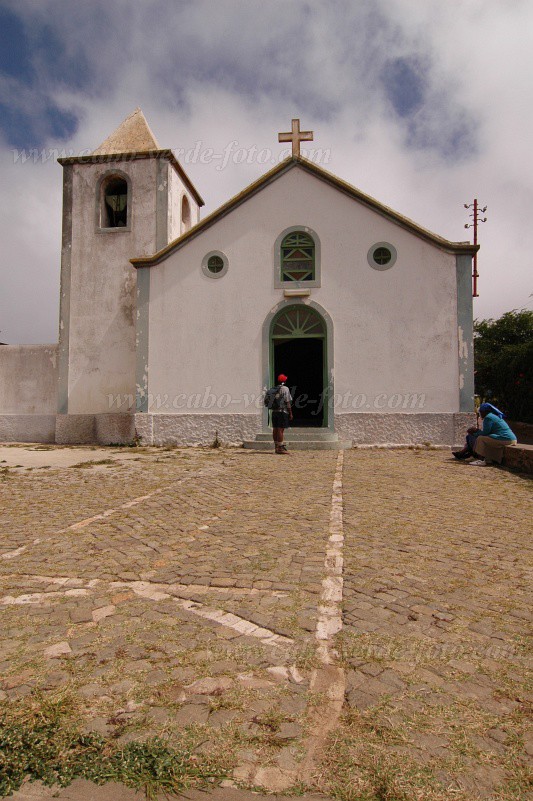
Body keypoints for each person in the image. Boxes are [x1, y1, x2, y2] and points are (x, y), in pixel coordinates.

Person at [271, 374, 293, 454]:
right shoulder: (285, 389)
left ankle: (276, 446)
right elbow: (287, 401)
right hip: (282, 411)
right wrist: (290, 413)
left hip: (274, 412)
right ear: (285, 381)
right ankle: (280, 448)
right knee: (280, 429)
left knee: (275, 429)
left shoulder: (274, 389)